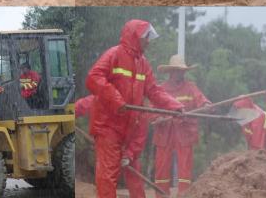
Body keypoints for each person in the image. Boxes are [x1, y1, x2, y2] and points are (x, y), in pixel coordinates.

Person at [86, 20, 184, 198]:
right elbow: (93, 77)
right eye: (146, 37)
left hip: (129, 129)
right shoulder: (114, 54)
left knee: (132, 175)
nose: (148, 41)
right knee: (107, 176)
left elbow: (154, 91)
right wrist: (115, 99)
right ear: (135, 37)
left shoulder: (143, 63)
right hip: (108, 126)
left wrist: (174, 106)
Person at [152, 55, 210, 197]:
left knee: (185, 169)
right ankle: (161, 195)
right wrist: (158, 118)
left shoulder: (191, 87)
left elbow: (202, 100)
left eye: (183, 70)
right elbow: (151, 111)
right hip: (165, 132)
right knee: (161, 168)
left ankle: (184, 195)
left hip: (185, 132)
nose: (181, 73)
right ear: (171, 72)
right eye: (178, 70)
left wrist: (206, 104)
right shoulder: (160, 89)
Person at [76, 93, 151, 198]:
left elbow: (140, 138)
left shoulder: (143, 111)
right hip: (109, 144)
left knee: (134, 178)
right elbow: (86, 103)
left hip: (128, 147)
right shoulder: (111, 95)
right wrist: (72, 112)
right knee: (106, 177)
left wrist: (129, 155)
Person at [232, 97, 266, 162]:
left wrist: (253, 160)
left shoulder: (257, 119)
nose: (238, 113)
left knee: (265, 164)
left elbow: (257, 145)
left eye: (239, 110)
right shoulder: (247, 116)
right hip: (263, 146)